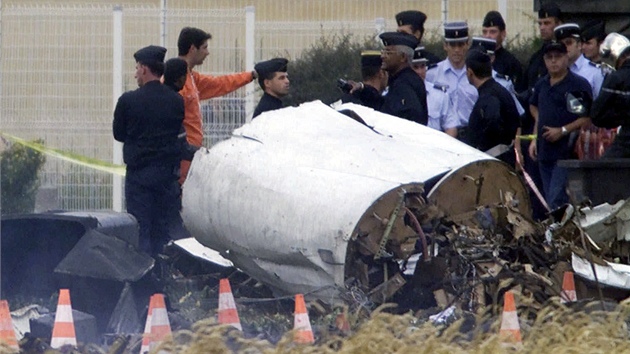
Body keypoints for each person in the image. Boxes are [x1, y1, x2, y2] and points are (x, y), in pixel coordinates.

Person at [113, 45, 195, 256]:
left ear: (144, 69)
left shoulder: (128, 101)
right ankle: (163, 280)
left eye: (137, 68)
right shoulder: (176, 101)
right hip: (166, 178)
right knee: (163, 231)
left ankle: (144, 283)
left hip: (139, 179)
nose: (135, 73)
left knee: (141, 231)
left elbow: (119, 134)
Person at [177, 27, 257, 183]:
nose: (208, 53)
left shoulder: (191, 77)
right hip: (183, 155)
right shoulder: (178, 80)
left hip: (190, 152)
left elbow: (219, 84)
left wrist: (250, 75)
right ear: (193, 49)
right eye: (205, 47)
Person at [528, 41, 593, 209]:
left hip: (566, 152)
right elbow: (535, 107)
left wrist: (562, 130)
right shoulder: (542, 84)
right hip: (544, 151)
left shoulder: (576, 85)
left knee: (558, 198)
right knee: (549, 200)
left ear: (566, 57)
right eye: (549, 57)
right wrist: (535, 138)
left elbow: (585, 117)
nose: (553, 61)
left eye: (558, 57)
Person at [349, 32, 428, 125]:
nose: (382, 56)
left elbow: (402, 118)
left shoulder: (405, 84)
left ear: (403, 57)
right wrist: (363, 90)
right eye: (383, 52)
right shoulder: (398, 80)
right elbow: (384, 105)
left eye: (388, 52)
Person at [464, 48, 520, 165]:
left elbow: (493, 121)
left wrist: (483, 146)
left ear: (470, 72)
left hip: (493, 162)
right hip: (502, 159)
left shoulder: (488, 96)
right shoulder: (500, 91)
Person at [426, 21, 478, 138]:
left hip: (470, 135)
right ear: (445, 46)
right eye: (452, 45)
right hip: (442, 135)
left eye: (460, 45)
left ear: (467, 44)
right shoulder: (433, 74)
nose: (456, 50)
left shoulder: (475, 74)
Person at [591, 33, 630, 158]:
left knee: (604, 170)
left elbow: (597, 114)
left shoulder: (616, 78)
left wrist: (618, 117)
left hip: (626, 138)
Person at [471, 37, 525, 117]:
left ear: (492, 58)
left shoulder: (503, 83)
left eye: (483, 58)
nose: (479, 62)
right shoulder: (466, 79)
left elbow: (516, 115)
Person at [411, 47, 458, 137]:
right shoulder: (399, 93)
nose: (420, 72)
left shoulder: (439, 95)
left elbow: (451, 127)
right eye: (415, 67)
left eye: (422, 66)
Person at [554, 23, 604, 99]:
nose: (565, 47)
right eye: (561, 44)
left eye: (569, 43)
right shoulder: (555, 71)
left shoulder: (595, 72)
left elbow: (601, 103)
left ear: (579, 45)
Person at [481, 10, 524, 88]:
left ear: (503, 34)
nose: (488, 36)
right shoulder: (477, 59)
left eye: (492, 32)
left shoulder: (511, 63)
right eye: (485, 32)